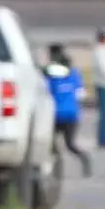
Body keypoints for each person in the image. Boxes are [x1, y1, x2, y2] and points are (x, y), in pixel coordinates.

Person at [44, 44, 92, 178]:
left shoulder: (50, 75)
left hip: (56, 115)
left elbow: (45, 92)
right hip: (72, 115)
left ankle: (55, 170)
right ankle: (85, 160)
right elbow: (81, 94)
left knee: (51, 144)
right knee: (70, 144)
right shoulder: (73, 73)